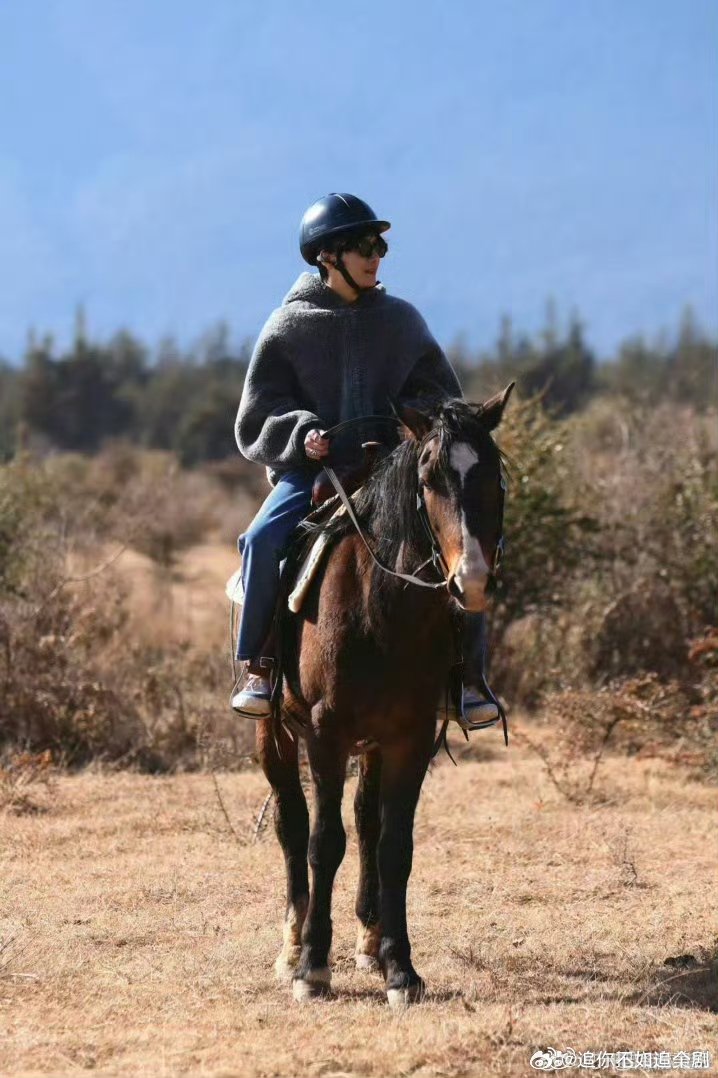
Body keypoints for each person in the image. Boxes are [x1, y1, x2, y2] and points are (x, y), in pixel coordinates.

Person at [231, 192, 499, 730]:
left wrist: (415, 429)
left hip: (396, 472)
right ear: (326, 256)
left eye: (379, 245)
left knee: (465, 541)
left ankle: (470, 679)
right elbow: (260, 412)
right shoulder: (287, 326)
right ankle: (258, 667)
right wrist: (301, 434)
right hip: (314, 475)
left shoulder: (402, 321)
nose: (375, 255)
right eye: (361, 246)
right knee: (260, 540)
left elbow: (439, 396)